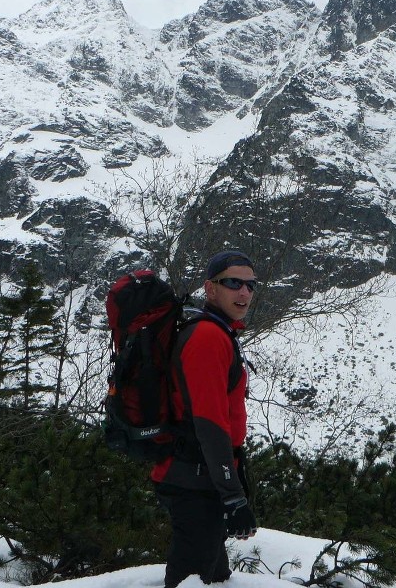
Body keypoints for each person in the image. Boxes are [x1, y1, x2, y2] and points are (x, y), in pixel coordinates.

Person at [152, 250, 258, 586]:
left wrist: (233, 479)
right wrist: (233, 494)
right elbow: (209, 423)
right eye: (233, 283)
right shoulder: (208, 338)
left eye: (250, 285)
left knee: (212, 577)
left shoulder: (218, 332)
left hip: (201, 478)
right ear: (210, 288)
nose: (244, 292)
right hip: (192, 480)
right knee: (191, 580)